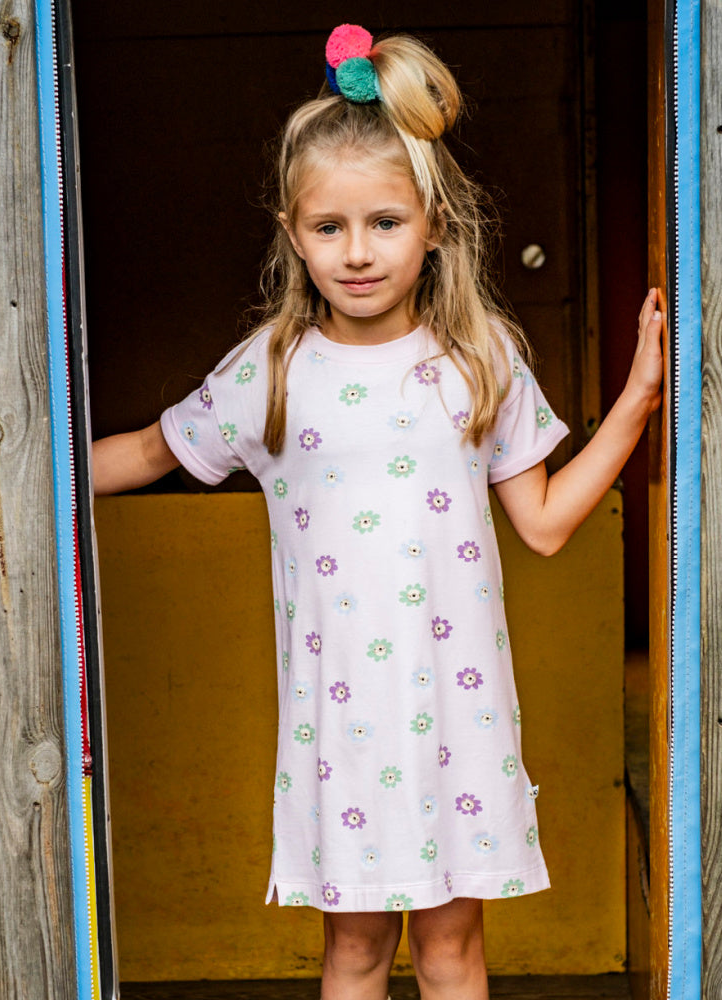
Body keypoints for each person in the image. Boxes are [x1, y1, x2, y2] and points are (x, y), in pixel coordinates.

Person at [93, 24, 663, 1000]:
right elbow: (147, 452)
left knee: (452, 954)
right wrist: (11, 472)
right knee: (354, 953)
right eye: (329, 227)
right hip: (342, 733)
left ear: (433, 224)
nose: (357, 252)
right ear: (292, 232)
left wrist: (639, 398)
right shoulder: (270, 372)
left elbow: (544, 522)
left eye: (386, 222)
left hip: (458, 724)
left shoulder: (478, 361)